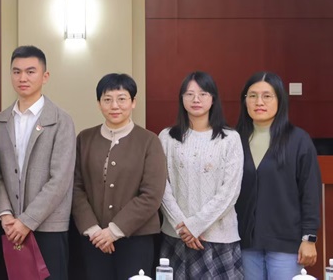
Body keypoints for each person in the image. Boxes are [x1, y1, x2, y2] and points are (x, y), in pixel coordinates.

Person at [0, 45, 76, 280]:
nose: (23, 78)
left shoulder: (61, 120)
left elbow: (60, 179)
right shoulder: (1, 121)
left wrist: (27, 221)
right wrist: (5, 214)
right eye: (16, 72)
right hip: (10, 227)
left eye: (30, 72)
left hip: (48, 226)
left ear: (45, 76)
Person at [72, 73, 167, 279]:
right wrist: (94, 230)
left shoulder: (149, 141)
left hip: (137, 239)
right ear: (99, 104)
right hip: (93, 239)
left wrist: (114, 231)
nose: (114, 106)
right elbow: (76, 187)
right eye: (107, 99)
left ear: (133, 102)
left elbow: (152, 194)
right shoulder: (84, 139)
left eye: (122, 99)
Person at [235, 72, 320, 279]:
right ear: (245, 101)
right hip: (245, 243)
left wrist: (309, 238)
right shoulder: (234, 139)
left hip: (286, 244)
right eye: (252, 96)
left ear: (280, 100)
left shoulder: (298, 140)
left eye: (267, 96)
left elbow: (310, 193)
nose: (259, 102)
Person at [159, 72, 243, 279]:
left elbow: (230, 192)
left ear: (213, 98)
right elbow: (161, 187)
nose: (196, 99)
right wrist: (183, 228)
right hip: (176, 236)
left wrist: (196, 225)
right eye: (189, 94)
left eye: (203, 93)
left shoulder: (230, 139)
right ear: (181, 99)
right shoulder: (167, 137)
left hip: (219, 237)